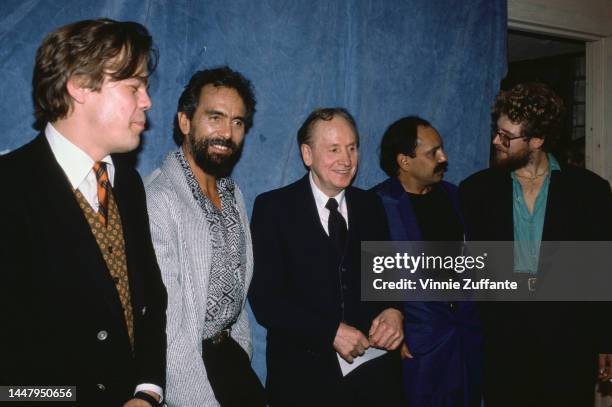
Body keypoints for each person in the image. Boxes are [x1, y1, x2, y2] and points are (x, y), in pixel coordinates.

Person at [0, 19, 167, 407]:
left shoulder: (128, 183)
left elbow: (150, 301)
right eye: (133, 86)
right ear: (79, 85)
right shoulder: (8, 189)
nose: (147, 101)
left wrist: (148, 392)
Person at [459, 82, 612, 406]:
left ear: (537, 140)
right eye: (496, 131)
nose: (495, 141)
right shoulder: (475, 191)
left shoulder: (590, 192)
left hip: (569, 345)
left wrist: (604, 342)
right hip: (502, 346)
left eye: (506, 137)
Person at [249, 108, 405, 407]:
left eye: (352, 148)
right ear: (307, 154)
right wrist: (329, 332)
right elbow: (265, 301)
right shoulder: (273, 208)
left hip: (374, 380)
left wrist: (394, 311)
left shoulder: (371, 204)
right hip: (303, 381)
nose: (346, 160)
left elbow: (388, 278)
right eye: (334, 149)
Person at [145, 67, 265, 407]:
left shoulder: (233, 193)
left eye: (238, 122)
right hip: (184, 371)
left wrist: (239, 350)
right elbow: (168, 331)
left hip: (230, 360)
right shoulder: (158, 200)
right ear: (185, 122)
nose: (227, 133)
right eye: (215, 117)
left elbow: (238, 293)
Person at [372, 116, 482, 406]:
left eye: (442, 149)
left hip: (465, 340)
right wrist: (392, 332)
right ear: (404, 161)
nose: (444, 158)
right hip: (416, 347)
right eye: (433, 152)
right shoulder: (376, 205)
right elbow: (363, 279)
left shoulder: (454, 196)